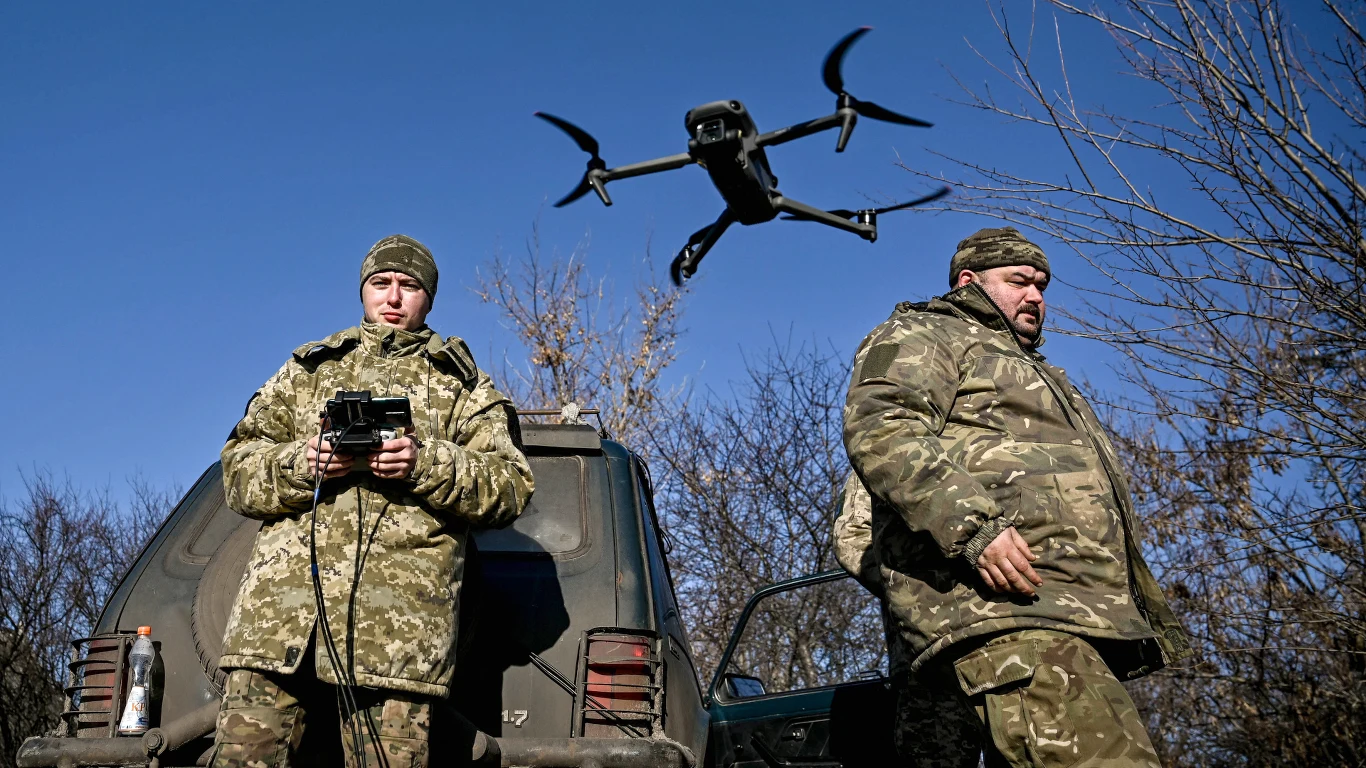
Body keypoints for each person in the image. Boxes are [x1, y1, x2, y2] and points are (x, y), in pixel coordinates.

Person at [842, 226, 1191, 767]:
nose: (1035, 296)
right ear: (969, 281)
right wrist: (974, 532)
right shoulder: (926, 333)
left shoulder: (1038, 372)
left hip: (1063, 612)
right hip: (1006, 615)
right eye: (1019, 281)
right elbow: (881, 427)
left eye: (1042, 286)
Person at [209, 234, 534, 768]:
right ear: (363, 290)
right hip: (278, 630)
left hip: (395, 638)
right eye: (381, 283)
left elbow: (511, 485)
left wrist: (423, 462)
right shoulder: (309, 371)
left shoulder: (461, 385)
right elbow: (237, 471)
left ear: (428, 298)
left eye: (409, 286)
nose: (393, 297)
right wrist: (303, 462)